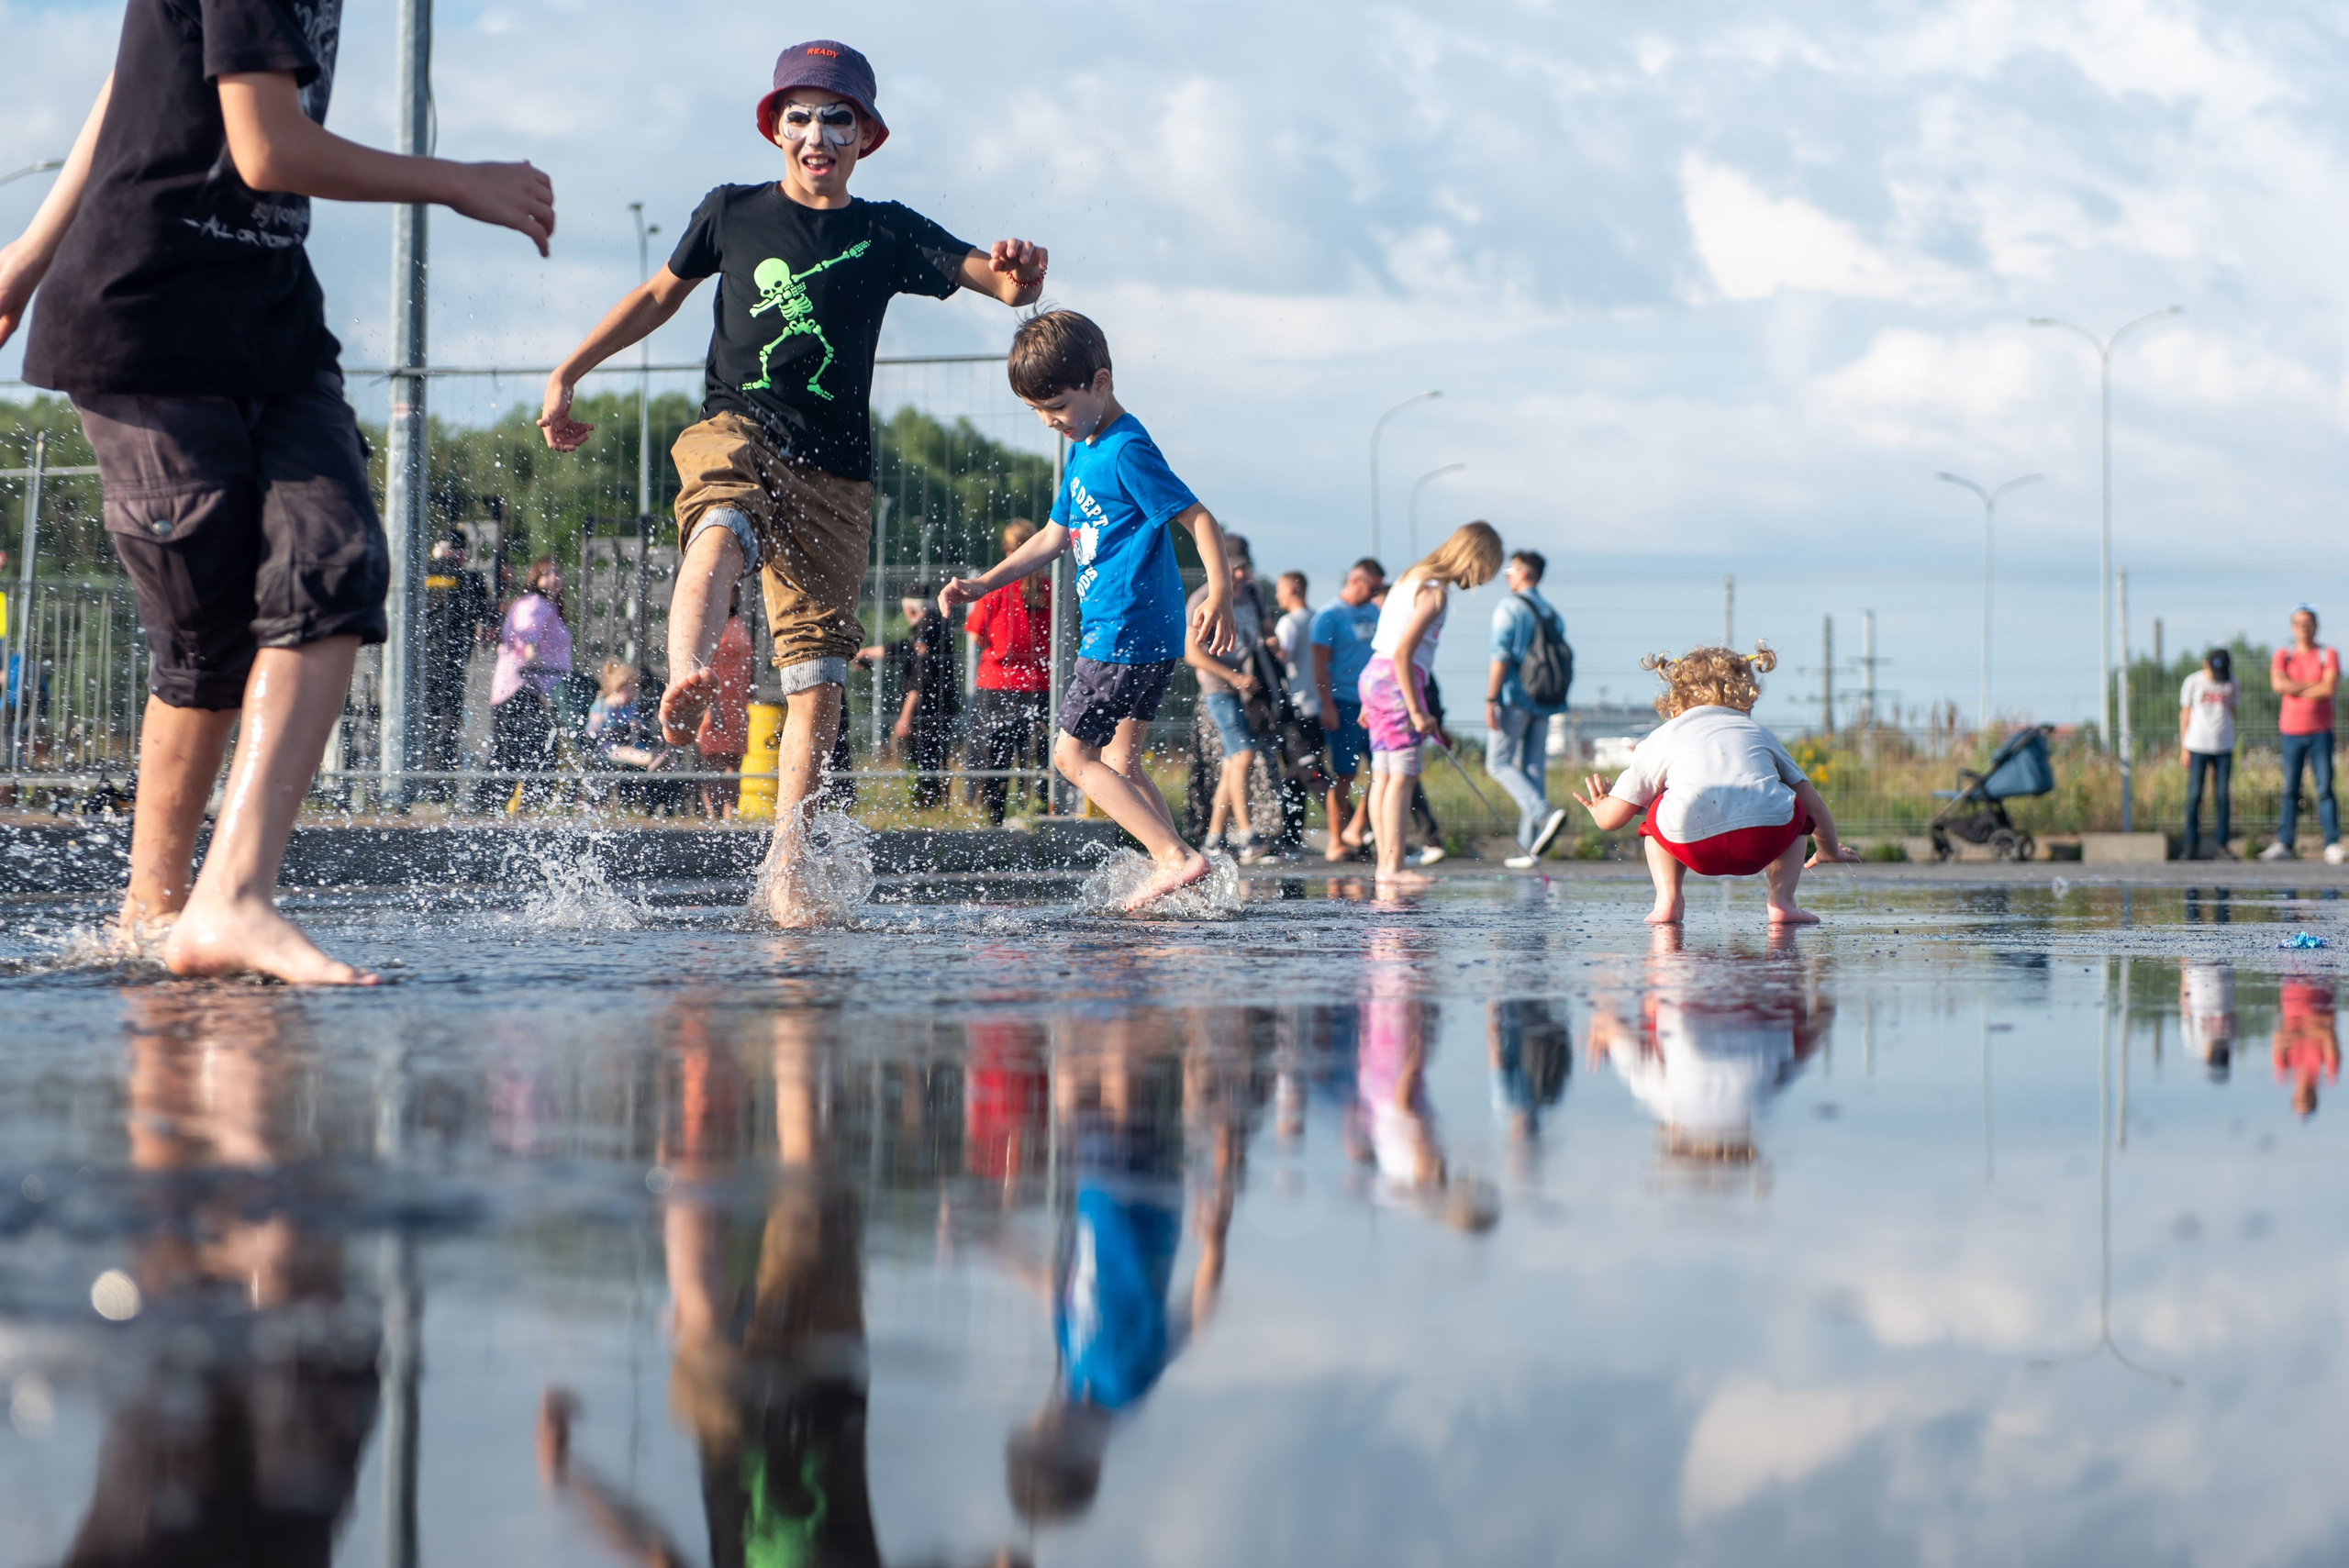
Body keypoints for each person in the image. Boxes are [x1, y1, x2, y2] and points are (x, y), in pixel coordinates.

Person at [0, 0, 553, 982]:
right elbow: (266, 148)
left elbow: (134, 83)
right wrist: (456, 180)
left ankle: (232, 897)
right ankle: (154, 913)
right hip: (146, 312)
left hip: (270, 322)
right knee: (210, 632)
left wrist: (24, 254)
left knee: (334, 562)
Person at [538, 39, 1045, 924]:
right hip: (735, 428)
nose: (818, 135)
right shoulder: (730, 212)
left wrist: (1020, 270)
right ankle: (686, 677)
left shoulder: (886, 231)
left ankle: (787, 868)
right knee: (718, 526)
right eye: (801, 117)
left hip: (835, 479)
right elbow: (657, 296)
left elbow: (999, 285)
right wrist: (568, 370)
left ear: (865, 137)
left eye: (838, 119)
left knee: (816, 678)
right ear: (776, 129)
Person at [941, 310, 1238, 912]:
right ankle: (1187, 868)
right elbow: (1053, 537)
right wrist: (985, 583)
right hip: (1143, 635)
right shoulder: (1085, 449)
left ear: (1100, 382)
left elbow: (1198, 517)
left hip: (1122, 633)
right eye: (1037, 411)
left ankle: (1174, 857)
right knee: (1120, 760)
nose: (1049, 421)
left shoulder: (1125, 449)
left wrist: (1222, 591)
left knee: (1071, 756)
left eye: (1056, 406)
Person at [1572, 643, 1861, 925]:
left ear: (1675, 700)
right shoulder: (1759, 733)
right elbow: (1814, 806)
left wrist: (1600, 808)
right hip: (1761, 842)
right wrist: (1829, 850)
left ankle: (1667, 900)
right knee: (1793, 807)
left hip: (1691, 844)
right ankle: (1782, 902)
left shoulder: (1663, 737)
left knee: (1657, 807)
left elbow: (1612, 820)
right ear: (1747, 698)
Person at [1357, 523, 1502, 888]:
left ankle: (1384, 866)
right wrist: (1418, 710)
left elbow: (1388, 645)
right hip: (1397, 682)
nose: (1479, 581)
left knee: (1384, 774)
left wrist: (1373, 699)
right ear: (1474, 559)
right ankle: (1393, 867)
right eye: (1484, 571)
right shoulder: (1435, 593)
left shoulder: (1411, 578)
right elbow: (1404, 653)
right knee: (1402, 777)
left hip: (1375, 677)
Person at [1185, 533, 1271, 862]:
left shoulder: (1252, 592)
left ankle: (1213, 839)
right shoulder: (1202, 598)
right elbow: (1192, 654)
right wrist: (1234, 677)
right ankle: (1247, 837)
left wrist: (1273, 642)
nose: (1242, 575)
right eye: (1236, 568)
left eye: (1245, 567)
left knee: (1234, 762)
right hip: (1218, 688)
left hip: (1247, 688)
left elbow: (1264, 629)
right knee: (1243, 755)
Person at [964, 519, 1053, 826]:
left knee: (993, 759)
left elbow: (975, 636)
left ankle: (992, 824)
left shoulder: (995, 589)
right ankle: (1038, 820)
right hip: (1039, 686)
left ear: (1007, 550)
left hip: (996, 684)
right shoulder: (1050, 591)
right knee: (1039, 759)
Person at [1486, 550, 1571, 869]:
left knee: (1497, 763)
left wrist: (1490, 699)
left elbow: (1500, 655)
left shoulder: (1509, 607)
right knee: (1533, 769)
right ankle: (1529, 848)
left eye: (1510, 570)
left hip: (1515, 696)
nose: (1507, 576)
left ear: (1523, 572)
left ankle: (1543, 813)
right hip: (1545, 699)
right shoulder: (1551, 612)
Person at [856, 584, 959, 811]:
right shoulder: (933, 627)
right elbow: (903, 648)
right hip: (938, 709)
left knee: (925, 761)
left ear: (910, 609)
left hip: (926, 713)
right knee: (933, 760)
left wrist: (905, 717)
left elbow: (919, 679)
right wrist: (866, 653)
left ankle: (927, 807)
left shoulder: (927, 632)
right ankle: (933, 806)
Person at [1310, 559, 1385, 862]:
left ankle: (1357, 827)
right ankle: (1335, 840)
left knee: (1384, 769)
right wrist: (1327, 704)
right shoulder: (1329, 616)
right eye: (1372, 587)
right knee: (1345, 774)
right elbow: (1319, 665)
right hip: (1343, 702)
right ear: (1355, 581)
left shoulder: (1374, 612)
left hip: (1374, 703)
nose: (1376, 593)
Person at [484, 558, 573, 810]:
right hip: (521, 687)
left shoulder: (546, 606)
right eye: (547, 574)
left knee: (517, 750)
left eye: (558, 573)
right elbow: (526, 640)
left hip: (528, 687)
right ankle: (494, 805)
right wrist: (537, 660)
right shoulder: (535, 603)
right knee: (527, 749)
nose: (554, 578)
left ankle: (495, 805)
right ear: (535, 578)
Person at [420, 530, 494, 801]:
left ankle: (414, 784)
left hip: (417, 662)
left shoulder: (418, 573)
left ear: (436, 549)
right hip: (450, 663)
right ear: (461, 553)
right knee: (447, 723)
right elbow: (489, 619)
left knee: (421, 721)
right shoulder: (470, 579)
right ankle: (439, 789)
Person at [2264, 606, 2341, 862]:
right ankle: (2285, 843)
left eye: (2308, 623)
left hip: (2321, 731)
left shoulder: (2328, 654)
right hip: (2290, 731)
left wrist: (2294, 688)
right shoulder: (2282, 655)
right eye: (2299, 623)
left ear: (2316, 627)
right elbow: (2278, 684)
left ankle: (2332, 843)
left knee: (2324, 788)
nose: (2304, 628)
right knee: (2289, 789)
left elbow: (2328, 689)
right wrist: (2313, 686)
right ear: (2292, 627)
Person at [696, 586, 755, 818]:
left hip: (737, 705)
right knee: (715, 762)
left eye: (733, 593)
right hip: (716, 703)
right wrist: (712, 706)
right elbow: (703, 666)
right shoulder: (709, 625)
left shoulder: (736, 622)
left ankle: (731, 814)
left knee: (735, 761)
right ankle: (714, 814)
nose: (729, 597)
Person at [2179, 646, 2238, 860]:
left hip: (2224, 746)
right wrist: (2184, 747)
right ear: (2205, 665)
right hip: (2197, 745)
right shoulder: (2193, 682)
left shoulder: (2232, 682)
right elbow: (2185, 713)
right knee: (2194, 795)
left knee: (2222, 796)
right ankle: (2191, 845)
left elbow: (2232, 710)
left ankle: (2222, 845)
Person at [2274, 975, 2339, 1118]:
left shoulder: (2283, 1071)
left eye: (2299, 1101)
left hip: (2291, 991)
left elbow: (2278, 1035)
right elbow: (2328, 1034)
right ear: (2315, 1099)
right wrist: (2300, 1032)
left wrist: (2308, 1032)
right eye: (2307, 1102)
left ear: (2293, 1097)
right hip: (2322, 992)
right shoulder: (2328, 1072)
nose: (2304, 1097)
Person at [2178, 960, 2237, 1082]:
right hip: (2201, 969)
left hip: (2223, 968)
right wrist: (2184, 966)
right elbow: (2185, 1008)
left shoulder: (2231, 1040)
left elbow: (2234, 1014)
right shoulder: (2194, 1046)